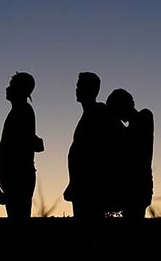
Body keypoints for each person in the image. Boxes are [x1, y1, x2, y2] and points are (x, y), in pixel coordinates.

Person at [64, 72, 123, 219]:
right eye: (77, 86)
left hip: (91, 187)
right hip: (81, 186)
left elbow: (116, 142)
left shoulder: (100, 112)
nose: (76, 90)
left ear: (92, 89)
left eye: (80, 86)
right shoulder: (89, 113)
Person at [0, 72, 40, 221]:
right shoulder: (18, 112)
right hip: (15, 175)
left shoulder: (22, 112)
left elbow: (12, 150)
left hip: (18, 176)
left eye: (11, 85)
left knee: (18, 222)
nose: (7, 88)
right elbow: (6, 148)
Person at [107, 88, 154, 220]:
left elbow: (132, 142)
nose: (118, 117)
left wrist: (115, 125)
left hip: (138, 185)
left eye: (116, 111)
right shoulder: (128, 127)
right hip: (131, 185)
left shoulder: (144, 116)